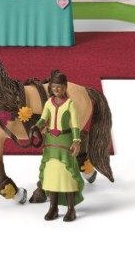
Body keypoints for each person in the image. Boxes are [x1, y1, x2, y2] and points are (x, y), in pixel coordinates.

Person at [35, 71, 84, 222]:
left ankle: (71, 208)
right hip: (51, 142)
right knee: (51, 174)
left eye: (59, 86)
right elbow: (43, 119)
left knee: (66, 175)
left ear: (65, 87)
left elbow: (75, 124)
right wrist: (36, 127)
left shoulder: (69, 104)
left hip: (65, 141)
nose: (56, 89)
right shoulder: (48, 103)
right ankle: (53, 207)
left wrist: (76, 140)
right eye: (53, 86)